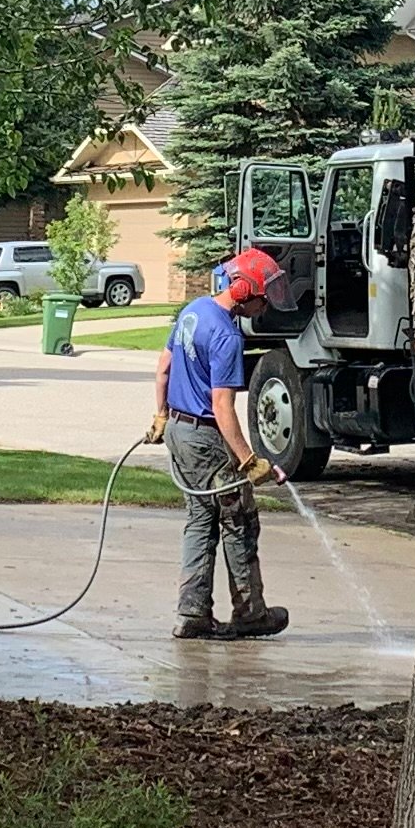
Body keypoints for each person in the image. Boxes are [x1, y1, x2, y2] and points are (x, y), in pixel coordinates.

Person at [159, 249, 290, 640]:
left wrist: (160, 415)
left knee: (200, 520)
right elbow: (222, 408)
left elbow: (164, 366)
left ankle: (192, 614)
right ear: (244, 290)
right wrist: (250, 460)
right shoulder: (227, 336)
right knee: (239, 520)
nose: (265, 303)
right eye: (262, 296)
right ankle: (250, 614)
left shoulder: (193, 310)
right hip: (206, 440)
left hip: (179, 432)